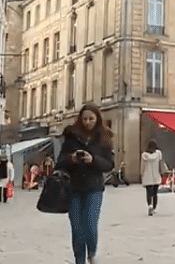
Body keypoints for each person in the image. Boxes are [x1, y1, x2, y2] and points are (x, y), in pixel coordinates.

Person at [55, 103, 114, 264]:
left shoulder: (104, 137)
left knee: (90, 224)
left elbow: (109, 164)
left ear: (97, 119)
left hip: (94, 187)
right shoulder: (71, 135)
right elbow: (59, 162)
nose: (88, 122)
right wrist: (71, 159)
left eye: (91, 119)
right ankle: (79, 260)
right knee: (77, 229)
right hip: (73, 187)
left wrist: (93, 159)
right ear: (80, 119)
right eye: (85, 119)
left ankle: (92, 254)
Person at [141, 140, 163, 216]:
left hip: (147, 175)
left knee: (148, 192)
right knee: (155, 193)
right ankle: (154, 207)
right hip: (156, 175)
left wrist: (141, 173)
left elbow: (142, 166)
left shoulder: (144, 155)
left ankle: (150, 205)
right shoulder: (158, 154)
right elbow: (160, 164)